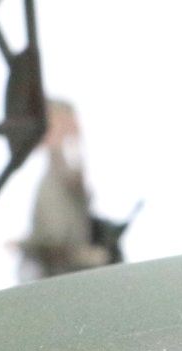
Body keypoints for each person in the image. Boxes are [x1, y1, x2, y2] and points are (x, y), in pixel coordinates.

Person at [15, 100, 123, 281]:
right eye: (64, 127)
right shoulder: (50, 187)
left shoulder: (71, 183)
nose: (73, 133)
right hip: (57, 281)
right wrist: (86, 256)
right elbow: (51, 246)